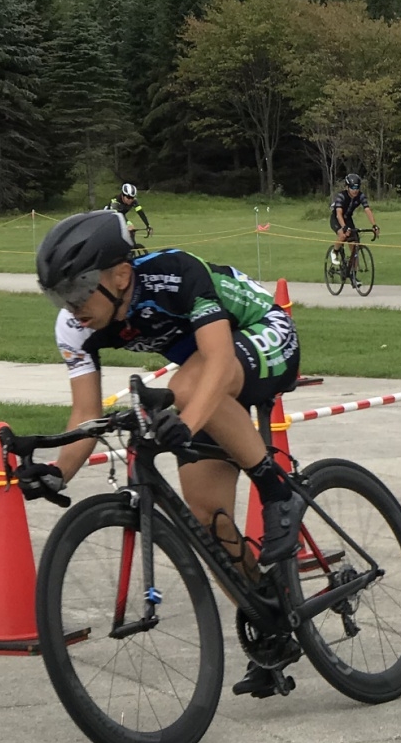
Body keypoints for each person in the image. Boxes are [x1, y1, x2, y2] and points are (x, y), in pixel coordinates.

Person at [23, 209, 304, 597]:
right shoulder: (74, 327)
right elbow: (87, 413)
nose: (71, 307)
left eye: (78, 290)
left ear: (120, 275)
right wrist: (58, 471)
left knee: (185, 385)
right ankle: (269, 606)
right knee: (208, 517)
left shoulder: (175, 273)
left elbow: (219, 363)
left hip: (264, 334)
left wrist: (186, 424)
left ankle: (277, 491)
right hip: (206, 370)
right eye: (59, 296)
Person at [329, 174, 377, 262]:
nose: (355, 190)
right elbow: (338, 214)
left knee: (354, 246)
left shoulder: (361, 196)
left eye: (357, 187)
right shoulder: (341, 196)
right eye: (352, 188)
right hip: (336, 218)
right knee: (343, 235)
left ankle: (352, 271)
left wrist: (374, 225)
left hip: (348, 218)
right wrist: (344, 227)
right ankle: (334, 251)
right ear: (347, 187)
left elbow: (367, 210)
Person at [106, 182, 151, 248]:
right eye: (128, 197)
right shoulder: (115, 202)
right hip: (109, 217)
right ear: (123, 195)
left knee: (130, 232)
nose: (130, 200)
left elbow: (140, 212)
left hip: (120, 216)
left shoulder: (133, 201)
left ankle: (130, 249)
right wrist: (128, 224)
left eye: (132, 197)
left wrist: (147, 225)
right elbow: (118, 216)